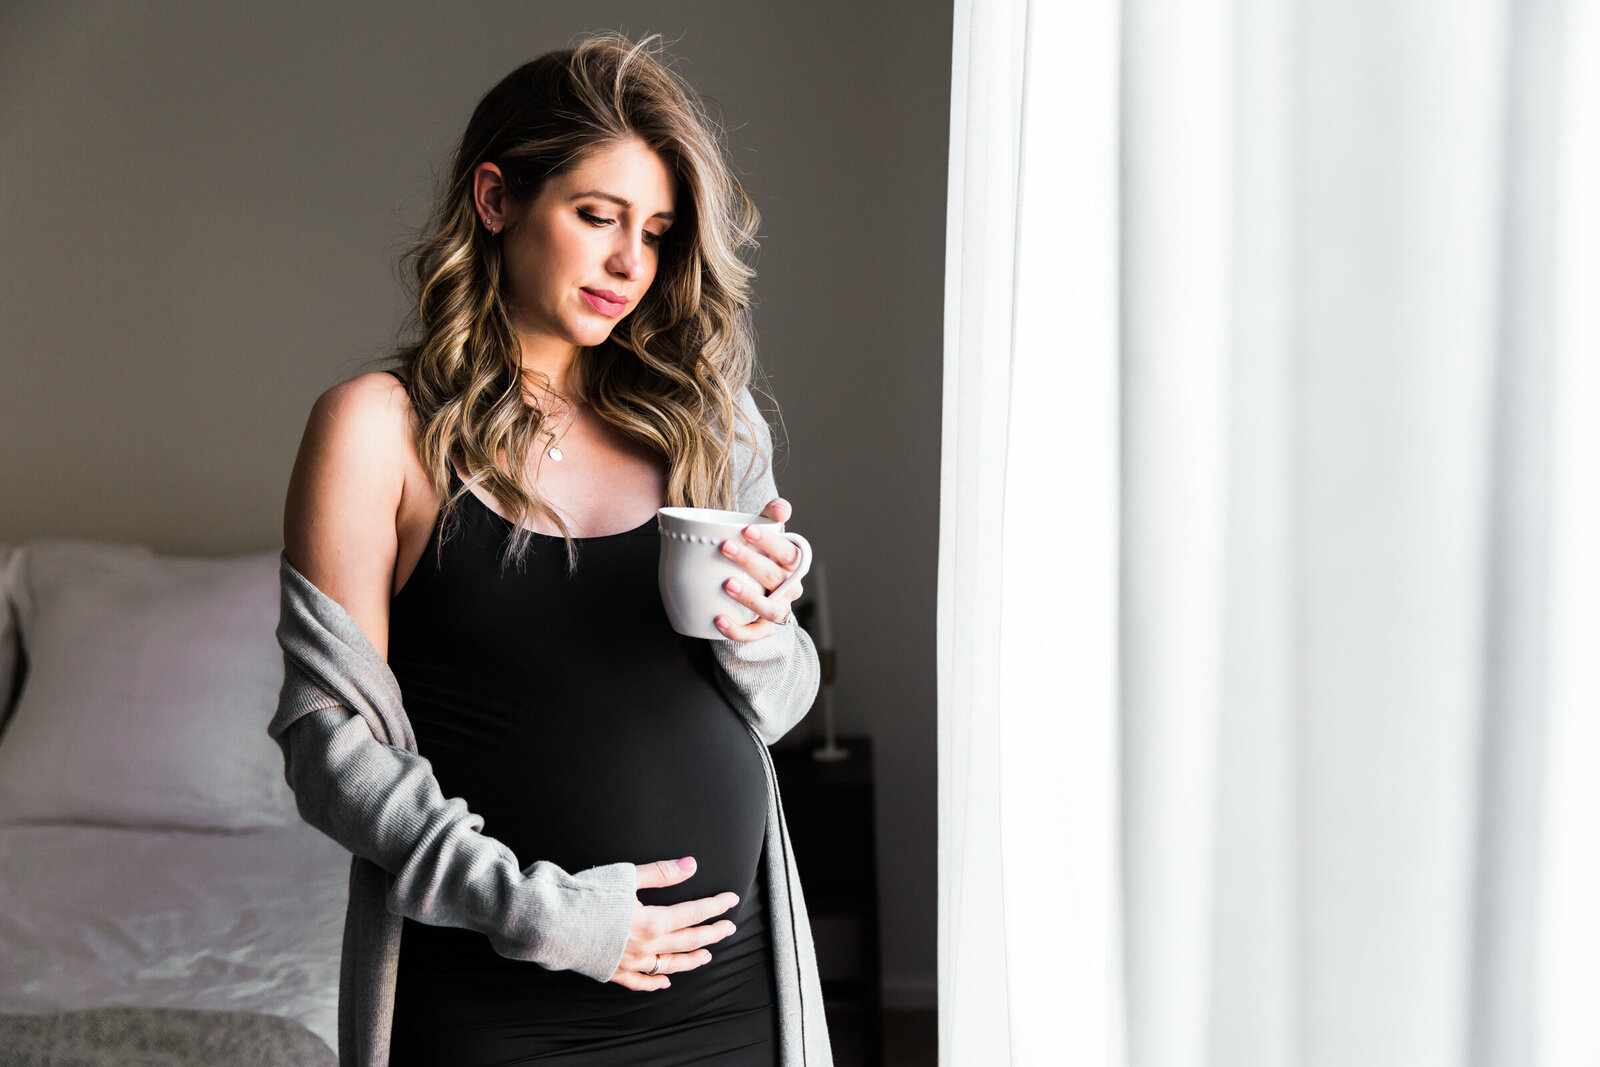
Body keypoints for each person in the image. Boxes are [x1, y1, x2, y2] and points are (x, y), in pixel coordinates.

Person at [273, 31, 829, 1066]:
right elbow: (327, 745)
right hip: (497, 989)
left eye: (657, 233)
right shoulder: (378, 429)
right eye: (596, 216)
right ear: (496, 200)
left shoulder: (710, 423)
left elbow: (779, 703)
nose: (630, 263)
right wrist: (551, 916)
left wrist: (760, 633)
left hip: (726, 984)